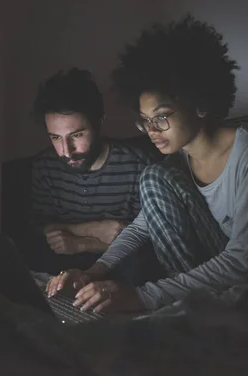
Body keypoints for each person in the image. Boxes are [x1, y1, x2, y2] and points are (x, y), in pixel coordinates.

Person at [46, 15, 248, 313]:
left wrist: (143, 297)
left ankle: (188, 305)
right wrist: (94, 272)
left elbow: (246, 258)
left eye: (162, 117)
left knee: (153, 177)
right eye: (146, 121)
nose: (152, 129)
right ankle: (191, 305)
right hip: (227, 268)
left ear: (201, 104)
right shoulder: (177, 163)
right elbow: (142, 228)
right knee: (154, 177)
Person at [27, 68, 164, 283]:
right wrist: (92, 229)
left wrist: (84, 243)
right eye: (55, 137)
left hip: (123, 264)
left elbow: (152, 239)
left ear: (99, 122)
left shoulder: (138, 163)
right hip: (65, 262)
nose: (66, 151)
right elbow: (43, 229)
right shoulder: (45, 166)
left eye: (77, 135)